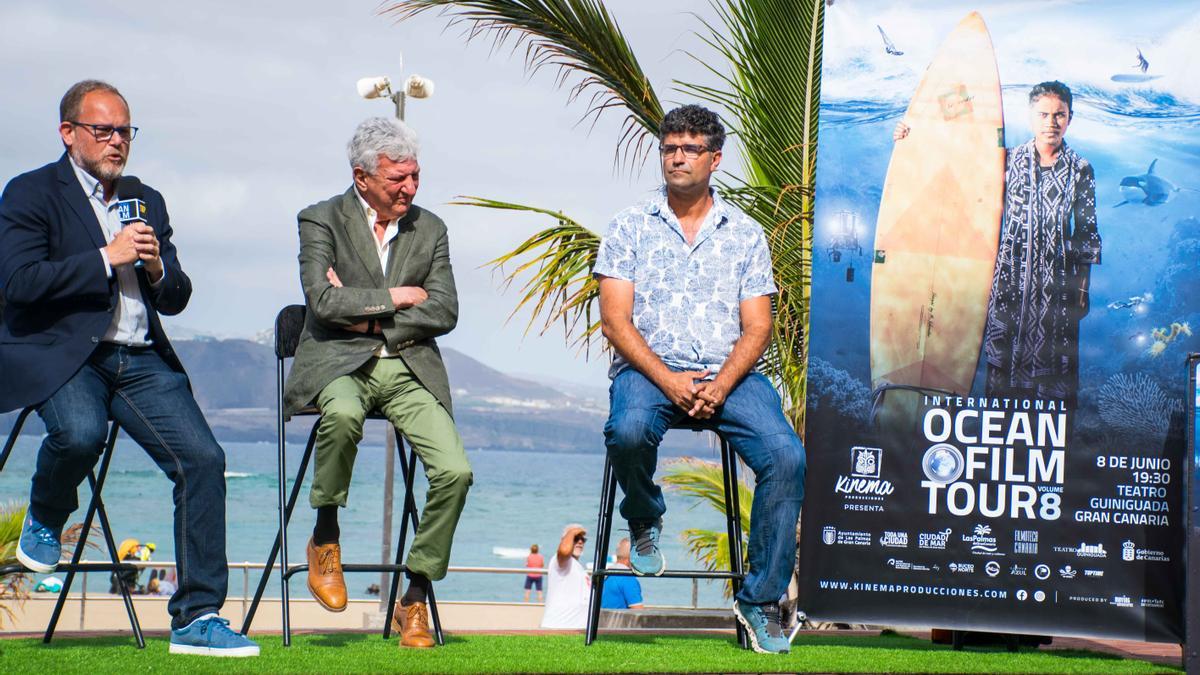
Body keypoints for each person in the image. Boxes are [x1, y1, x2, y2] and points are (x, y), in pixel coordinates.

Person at [0, 80, 258, 657]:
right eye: (104, 130)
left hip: (140, 359)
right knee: (80, 432)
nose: (117, 141)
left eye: (125, 131)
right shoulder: (30, 193)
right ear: (68, 133)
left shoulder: (146, 197)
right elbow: (16, 284)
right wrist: (103, 258)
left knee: (203, 460)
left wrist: (158, 268)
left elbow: (178, 296)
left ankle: (197, 616)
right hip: (67, 355)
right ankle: (46, 512)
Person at [594, 104, 806, 654]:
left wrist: (719, 382)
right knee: (629, 430)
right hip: (649, 369)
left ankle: (759, 602)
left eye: (690, 149)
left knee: (787, 458)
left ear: (714, 159)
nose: (677, 157)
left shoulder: (745, 234)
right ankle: (644, 518)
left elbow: (758, 326)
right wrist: (667, 380)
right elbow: (615, 321)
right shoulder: (628, 225)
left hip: (730, 374)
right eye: (669, 148)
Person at [282, 116, 470, 650]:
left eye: (415, 177)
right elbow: (321, 302)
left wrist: (362, 310)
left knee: (456, 472)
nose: (409, 189)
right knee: (340, 416)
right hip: (338, 363)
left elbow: (446, 310)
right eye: (397, 180)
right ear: (362, 176)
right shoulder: (319, 219)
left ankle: (414, 596)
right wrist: (398, 296)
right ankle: (325, 537)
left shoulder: (430, 228)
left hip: (409, 367)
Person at [895, 81, 1100, 410]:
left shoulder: (1081, 169)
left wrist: (1083, 288)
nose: (1051, 121)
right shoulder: (1007, 160)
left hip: (1058, 287)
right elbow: (959, 167)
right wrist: (912, 136)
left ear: (1070, 118)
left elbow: (1087, 232)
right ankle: (1001, 432)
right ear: (1031, 117)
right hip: (1009, 283)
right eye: (1044, 114)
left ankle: (1052, 445)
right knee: (1002, 373)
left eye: (1059, 115)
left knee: (1055, 378)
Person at [540, 524, 590, 629]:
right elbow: (564, 551)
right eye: (576, 538)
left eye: (582, 539)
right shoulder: (560, 562)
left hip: (576, 630)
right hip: (558, 627)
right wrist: (572, 532)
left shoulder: (579, 567)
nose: (580, 542)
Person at [600, 538, 644, 610]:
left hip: (603, 619)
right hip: (619, 620)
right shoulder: (628, 579)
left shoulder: (606, 575)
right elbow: (638, 611)